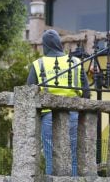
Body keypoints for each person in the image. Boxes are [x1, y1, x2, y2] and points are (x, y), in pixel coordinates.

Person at [27, 29, 90, 176]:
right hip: (73, 115)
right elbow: (86, 91)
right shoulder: (75, 62)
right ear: (59, 44)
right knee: (73, 154)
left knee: (51, 156)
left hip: (48, 116)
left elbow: (29, 93)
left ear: (45, 46)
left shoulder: (38, 64)